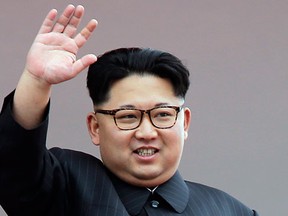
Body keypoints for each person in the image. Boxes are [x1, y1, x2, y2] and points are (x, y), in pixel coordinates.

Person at [0, 4, 259, 216]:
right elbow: (16, 163)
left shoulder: (230, 210)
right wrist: (36, 81)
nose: (147, 132)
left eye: (162, 115)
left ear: (185, 122)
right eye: (127, 117)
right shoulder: (65, 185)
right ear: (95, 127)